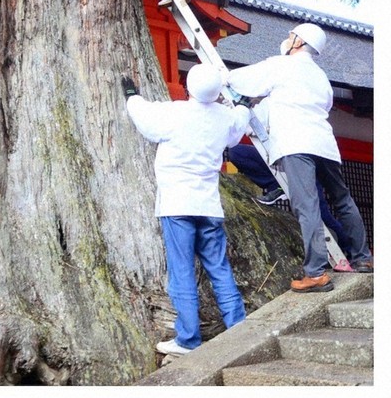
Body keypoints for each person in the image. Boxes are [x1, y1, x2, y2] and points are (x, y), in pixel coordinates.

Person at [226, 23, 373, 293]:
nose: (287, 39)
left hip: (296, 143)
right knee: (342, 200)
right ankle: (362, 257)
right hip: (326, 144)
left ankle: (315, 273)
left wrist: (215, 78)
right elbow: (327, 105)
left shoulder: (281, 65)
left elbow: (240, 80)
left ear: (297, 42)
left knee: (307, 206)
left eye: (291, 36)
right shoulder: (320, 77)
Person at [122, 64, 249, 355]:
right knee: (219, 268)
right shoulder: (224, 118)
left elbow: (144, 117)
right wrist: (242, 104)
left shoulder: (174, 113)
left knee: (182, 272)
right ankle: (240, 330)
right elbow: (238, 124)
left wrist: (131, 94)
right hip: (209, 206)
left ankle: (188, 339)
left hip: (177, 204)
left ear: (188, 86)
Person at [227, 141, 352, 257]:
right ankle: (277, 186)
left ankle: (351, 249)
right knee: (237, 152)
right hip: (275, 157)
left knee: (322, 216)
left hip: (302, 162)